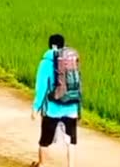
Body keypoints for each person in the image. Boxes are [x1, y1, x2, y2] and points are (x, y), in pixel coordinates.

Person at [31, 34, 82, 167]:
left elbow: (41, 87)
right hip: (71, 107)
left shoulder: (46, 62)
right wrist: (78, 108)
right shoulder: (71, 60)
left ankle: (42, 164)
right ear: (63, 45)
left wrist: (35, 108)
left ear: (50, 45)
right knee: (71, 141)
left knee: (45, 139)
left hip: (53, 109)